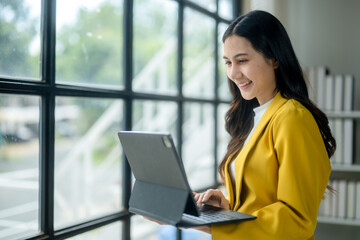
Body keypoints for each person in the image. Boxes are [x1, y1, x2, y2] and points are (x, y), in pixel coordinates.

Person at [192, 10, 336, 240]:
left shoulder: (292, 117)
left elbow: (296, 217)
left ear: (275, 58)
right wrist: (226, 208)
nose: (233, 73)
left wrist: (213, 226)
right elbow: (261, 199)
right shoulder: (253, 117)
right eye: (228, 62)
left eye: (242, 60)